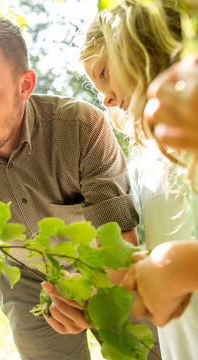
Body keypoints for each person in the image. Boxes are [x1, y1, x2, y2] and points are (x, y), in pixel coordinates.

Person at [0, 14, 141, 360]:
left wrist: (89, 297)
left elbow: (120, 242)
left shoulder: (80, 126)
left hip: (105, 267)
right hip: (28, 285)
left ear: (24, 86)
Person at [79, 1, 198, 358]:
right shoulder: (149, 165)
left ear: (139, 46)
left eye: (103, 72)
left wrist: (175, 267)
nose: (105, 98)